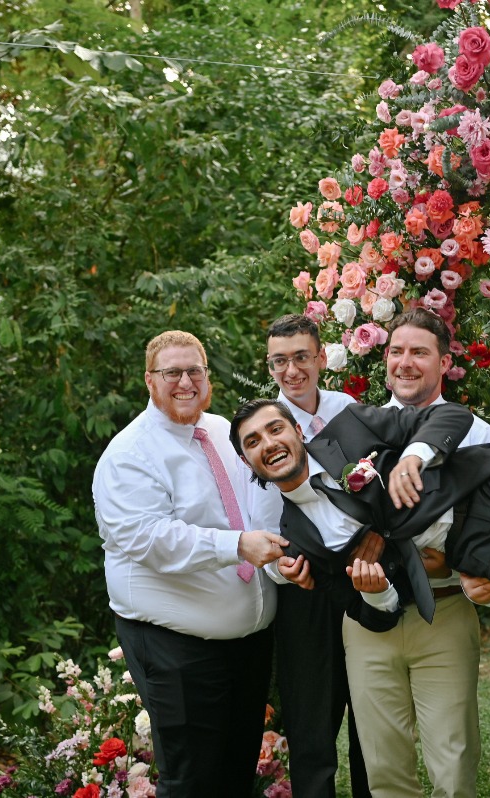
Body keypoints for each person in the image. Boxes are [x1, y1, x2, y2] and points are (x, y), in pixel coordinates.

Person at [92, 330, 287, 797]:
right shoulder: (129, 454)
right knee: (193, 780)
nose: (185, 381)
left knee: (236, 772)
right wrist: (237, 546)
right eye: (172, 372)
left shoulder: (224, 431)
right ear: (149, 380)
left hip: (245, 645)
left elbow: (259, 502)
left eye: (194, 370)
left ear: (207, 377)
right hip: (176, 646)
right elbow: (148, 538)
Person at [348, 308, 490, 798]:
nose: (405, 363)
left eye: (420, 352)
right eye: (397, 352)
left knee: (453, 763)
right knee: (383, 765)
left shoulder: (476, 433)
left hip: (446, 609)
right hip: (368, 618)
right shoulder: (358, 432)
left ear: (443, 362)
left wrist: (458, 560)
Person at [251, 313, 370, 798]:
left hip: (362, 579)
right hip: (304, 592)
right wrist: (280, 568)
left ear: (322, 357)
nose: (291, 370)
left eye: (301, 357)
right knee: (312, 725)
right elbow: (255, 519)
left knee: (370, 716)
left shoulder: (351, 410)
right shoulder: (261, 428)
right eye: (279, 361)